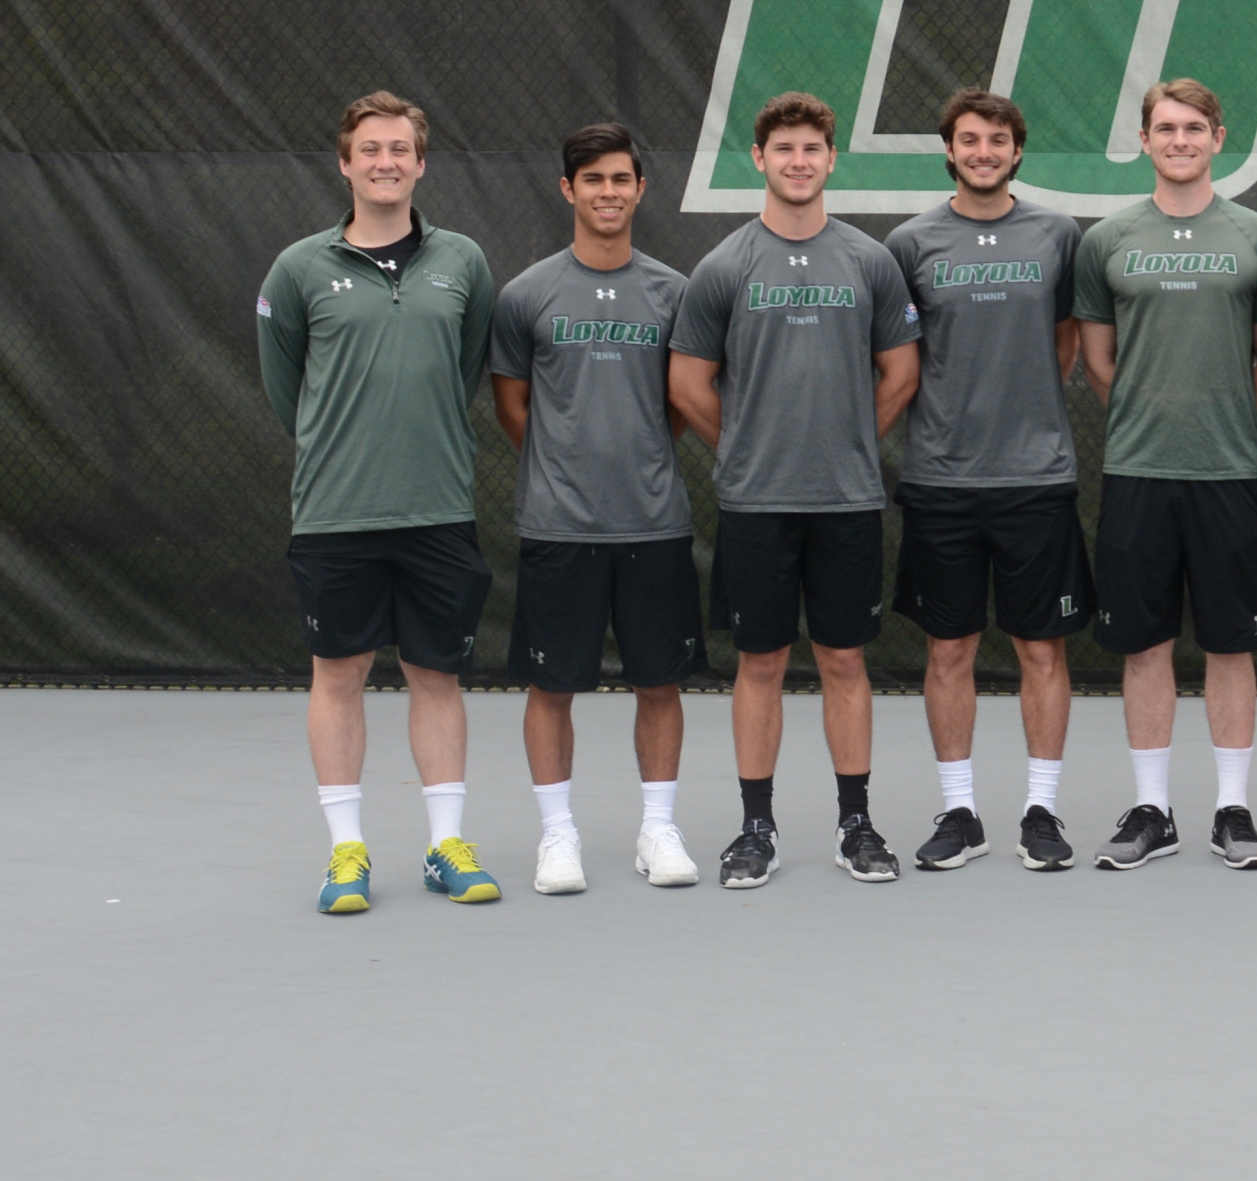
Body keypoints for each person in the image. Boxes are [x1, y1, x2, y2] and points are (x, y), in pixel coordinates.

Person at [667, 93, 922, 889]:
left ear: (831, 158)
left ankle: (857, 823)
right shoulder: (724, 265)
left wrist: (845, 440)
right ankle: (756, 828)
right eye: (785, 149)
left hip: (846, 500)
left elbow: (901, 370)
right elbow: (687, 382)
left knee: (845, 659)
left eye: (813, 147)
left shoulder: (869, 260)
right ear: (760, 159)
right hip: (755, 503)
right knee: (762, 662)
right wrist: (750, 447)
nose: (799, 161)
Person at [257, 92, 501, 913]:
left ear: (421, 162)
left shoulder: (463, 261)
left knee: (438, 675)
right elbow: (287, 386)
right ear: (345, 162)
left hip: (438, 509)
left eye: (400, 148)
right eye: (371, 149)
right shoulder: (298, 268)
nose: (386, 161)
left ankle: (445, 847)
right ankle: (347, 853)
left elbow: (465, 370)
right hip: (335, 514)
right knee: (340, 674)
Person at [1074, 77, 1257, 873]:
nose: (1180, 139)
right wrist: (1147, 413)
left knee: (1232, 645)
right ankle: (1154, 810)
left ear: (1217, 137)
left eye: (1194, 127)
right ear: (1145, 139)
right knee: (1145, 644)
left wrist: (1226, 414)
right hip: (1136, 469)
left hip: (1226, 471)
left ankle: (1231, 809)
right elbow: (1099, 363)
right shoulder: (1107, 240)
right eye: (1165, 127)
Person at [490, 123, 704, 894]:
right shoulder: (526, 294)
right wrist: (565, 462)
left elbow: (680, 403)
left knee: (660, 682)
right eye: (593, 179)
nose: (608, 191)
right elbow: (513, 405)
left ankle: (658, 829)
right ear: (567, 189)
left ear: (641, 189)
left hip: (655, 523)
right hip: (557, 526)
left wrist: (636, 450)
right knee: (552, 688)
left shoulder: (674, 292)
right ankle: (558, 838)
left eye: (621, 178)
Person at [885, 90, 1093, 875]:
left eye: (996, 140)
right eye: (968, 139)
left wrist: (1027, 411)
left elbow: (1066, 340)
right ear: (948, 149)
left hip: (1036, 478)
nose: (982, 151)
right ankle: (961, 811)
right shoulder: (910, 243)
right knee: (950, 650)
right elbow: (902, 357)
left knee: (1043, 649)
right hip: (941, 481)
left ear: (1016, 150)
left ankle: (1040, 810)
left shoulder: (1056, 235)